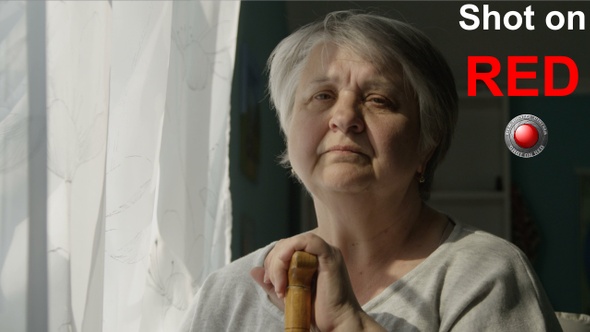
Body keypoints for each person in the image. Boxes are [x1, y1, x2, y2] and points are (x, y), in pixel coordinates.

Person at [180, 10, 562, 331]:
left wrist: (350, 322)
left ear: (426, 145)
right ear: (289, 131)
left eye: (379, 99)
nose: (344, 118)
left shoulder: (484, 275)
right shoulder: (229, 293)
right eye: (322, 96)